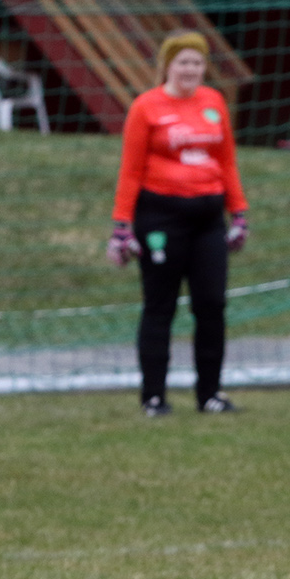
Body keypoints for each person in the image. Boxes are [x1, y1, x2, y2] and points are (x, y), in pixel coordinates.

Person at [106, 30, 248, 417]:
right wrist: (121, 225)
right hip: (160, 219)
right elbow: (130, 170)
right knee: (160, 306)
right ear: (168, 65)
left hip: (208, 219)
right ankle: (154, 397)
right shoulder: (146, 107)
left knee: (212, 304)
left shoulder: (214, 102)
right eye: (183, 61)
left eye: (197, 62)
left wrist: (238, 212)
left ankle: (210, 394)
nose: (190, 69)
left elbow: (227, 161)